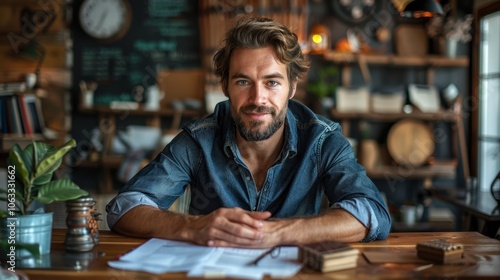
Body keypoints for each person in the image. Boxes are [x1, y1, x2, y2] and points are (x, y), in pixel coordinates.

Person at [106, 15, 391, 248]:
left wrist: (277, 233)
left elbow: (371, 212)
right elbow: (125, 207)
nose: (257, 99)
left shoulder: (321, 139)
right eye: (243, 82)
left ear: (292, 87)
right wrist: (192, 226)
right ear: (225, 86)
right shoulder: (199, 139)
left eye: (272, 82)